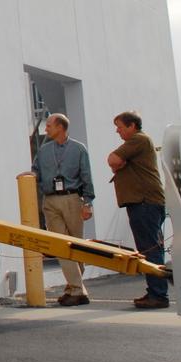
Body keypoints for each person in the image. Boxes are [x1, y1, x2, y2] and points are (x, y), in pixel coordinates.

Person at [29, 114, 94, 306]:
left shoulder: (79, 149)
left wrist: (88, 202)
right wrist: (29, 175)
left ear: (60, 127)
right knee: (60, 245)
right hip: (50, 200)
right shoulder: (43, 150)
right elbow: (36, 170)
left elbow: (86, 176)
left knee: (76, 245)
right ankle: (77, 289)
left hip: (72, 199)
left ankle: (72, 288)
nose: (46, 129)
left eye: (49, 125)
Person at [107, 111, 169, 309]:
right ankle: (155, 291)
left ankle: (158, 294)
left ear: (132, 126)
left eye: (120, 126)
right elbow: (116, 162)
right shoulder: (140, 142)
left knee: (149, 248)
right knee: (149, 247)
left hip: (144, 203)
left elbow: (113, 159)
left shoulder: (138, 140)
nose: (117, 131)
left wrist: (119, 163)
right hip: (145, 203)